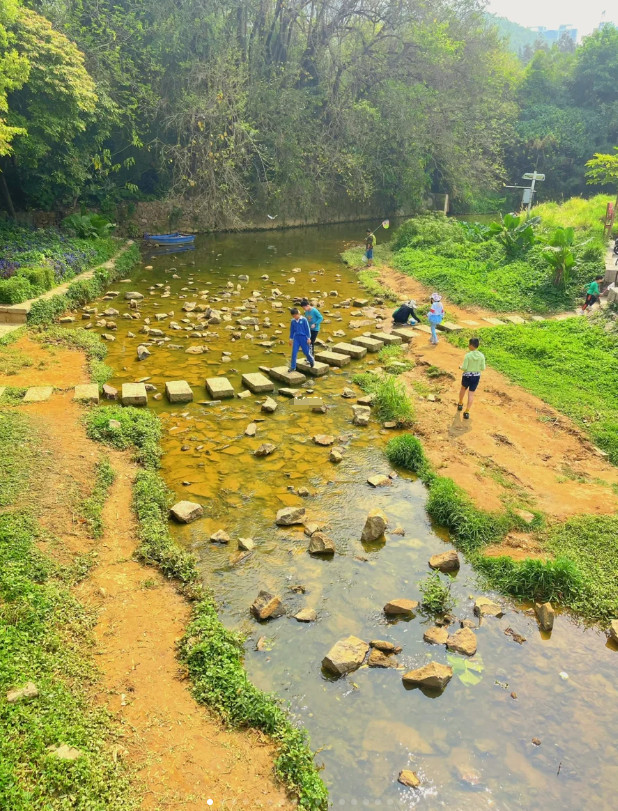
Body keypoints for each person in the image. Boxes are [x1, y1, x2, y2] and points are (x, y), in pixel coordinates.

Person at [458, 337, 486, 420]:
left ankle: (460, 403)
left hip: (467, 376)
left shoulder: (468, 355)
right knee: (471, 393)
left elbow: (464, 367)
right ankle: (467, 412)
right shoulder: (481, 356)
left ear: (471, 345)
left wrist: (460, 367)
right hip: (476, 376)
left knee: (463, 389)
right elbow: (483, 368)